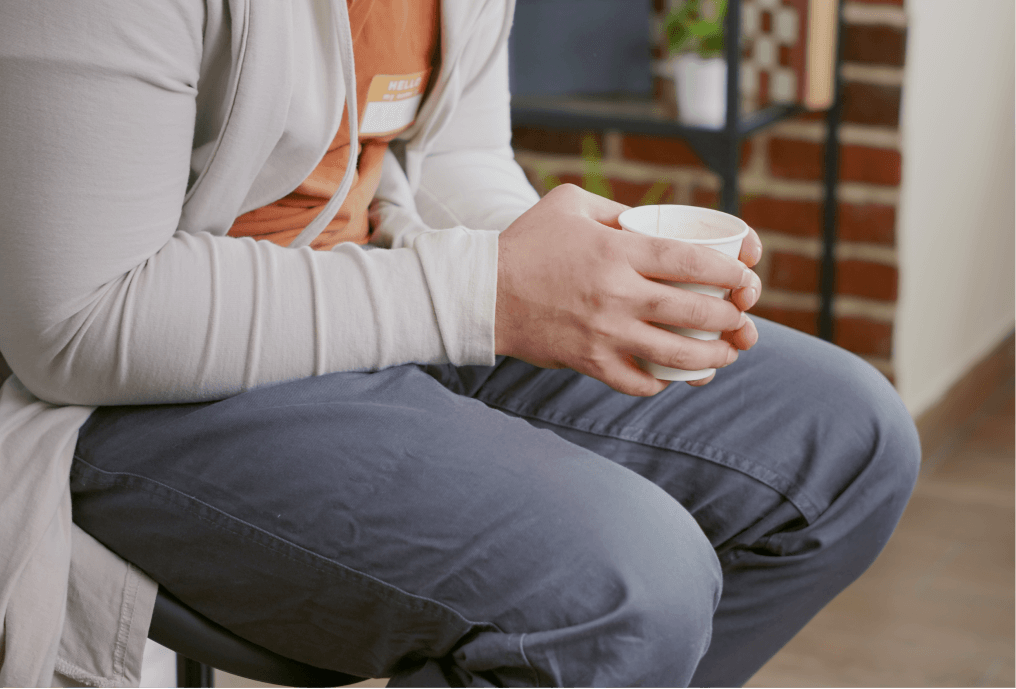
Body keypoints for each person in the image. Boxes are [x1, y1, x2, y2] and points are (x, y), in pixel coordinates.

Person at [0, 1, 920, 686]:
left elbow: (447, 157)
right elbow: (77, 319)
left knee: (848, 442)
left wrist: (589, 273)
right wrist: (491, 291)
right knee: (632, 590)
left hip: (372, 284)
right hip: (129, 382)